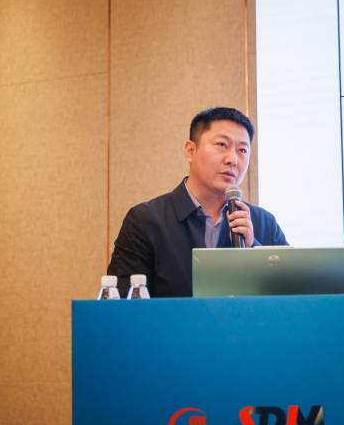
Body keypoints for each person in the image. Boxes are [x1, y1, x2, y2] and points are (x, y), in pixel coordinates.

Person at [107, 107, 288, 297]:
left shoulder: (264, 223)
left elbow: (291, 296)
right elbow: (122, 304)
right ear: (191, 151)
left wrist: (253, 248)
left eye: (242, 150)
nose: (233, 159)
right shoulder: (145, 221)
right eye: (222, 144)